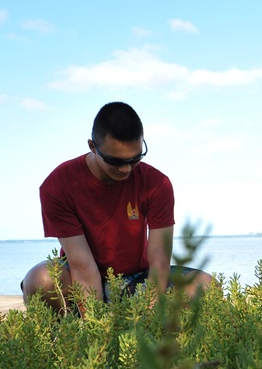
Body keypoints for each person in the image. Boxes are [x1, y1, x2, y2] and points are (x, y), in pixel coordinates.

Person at [21, 102, 212, 315]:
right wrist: (95, 328)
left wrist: (151, 310)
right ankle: (68, 332)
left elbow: (159, 256)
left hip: (136, 278)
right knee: (41, 280)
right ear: (93, 147)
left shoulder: (157, 183)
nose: (126, 169)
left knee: (205, 285)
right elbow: (82, 264)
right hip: (78, 276)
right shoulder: (58, 185)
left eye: (135, 159)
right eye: (115, 161)